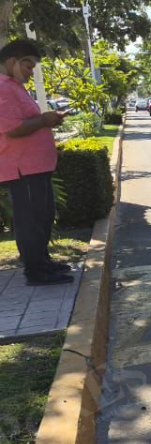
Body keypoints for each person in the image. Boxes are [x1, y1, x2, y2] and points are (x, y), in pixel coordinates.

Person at [0, 40, 71, 286]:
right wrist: (45, 120)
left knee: (42, 215)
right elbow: (14, 129)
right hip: (22, 169)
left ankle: (43, 262)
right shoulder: (3, 88)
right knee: (30, 220)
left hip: (35, 167)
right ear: (12, 62)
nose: (31, 72)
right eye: (28, 66)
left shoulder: (15, 86)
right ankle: (36, 272)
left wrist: (47, 120)